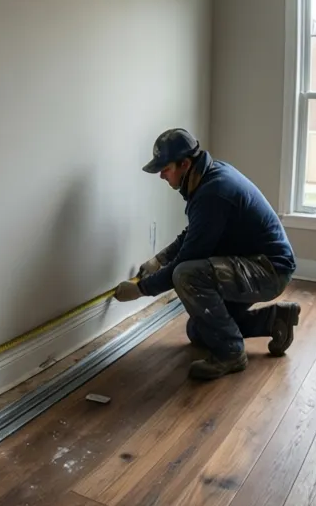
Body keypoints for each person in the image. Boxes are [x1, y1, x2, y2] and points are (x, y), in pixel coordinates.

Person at [113, 128, 300, 380]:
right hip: (254, 264)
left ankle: (231, 353)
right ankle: (275, 319)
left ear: (185, 164)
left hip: (269, 270)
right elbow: (195, 232)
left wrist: (141, 289)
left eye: (165, 168)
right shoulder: (208, 176)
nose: (161, 175)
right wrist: (160, 259)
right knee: (199, 331)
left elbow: (187, 260)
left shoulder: (214, 192)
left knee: (186, 274)